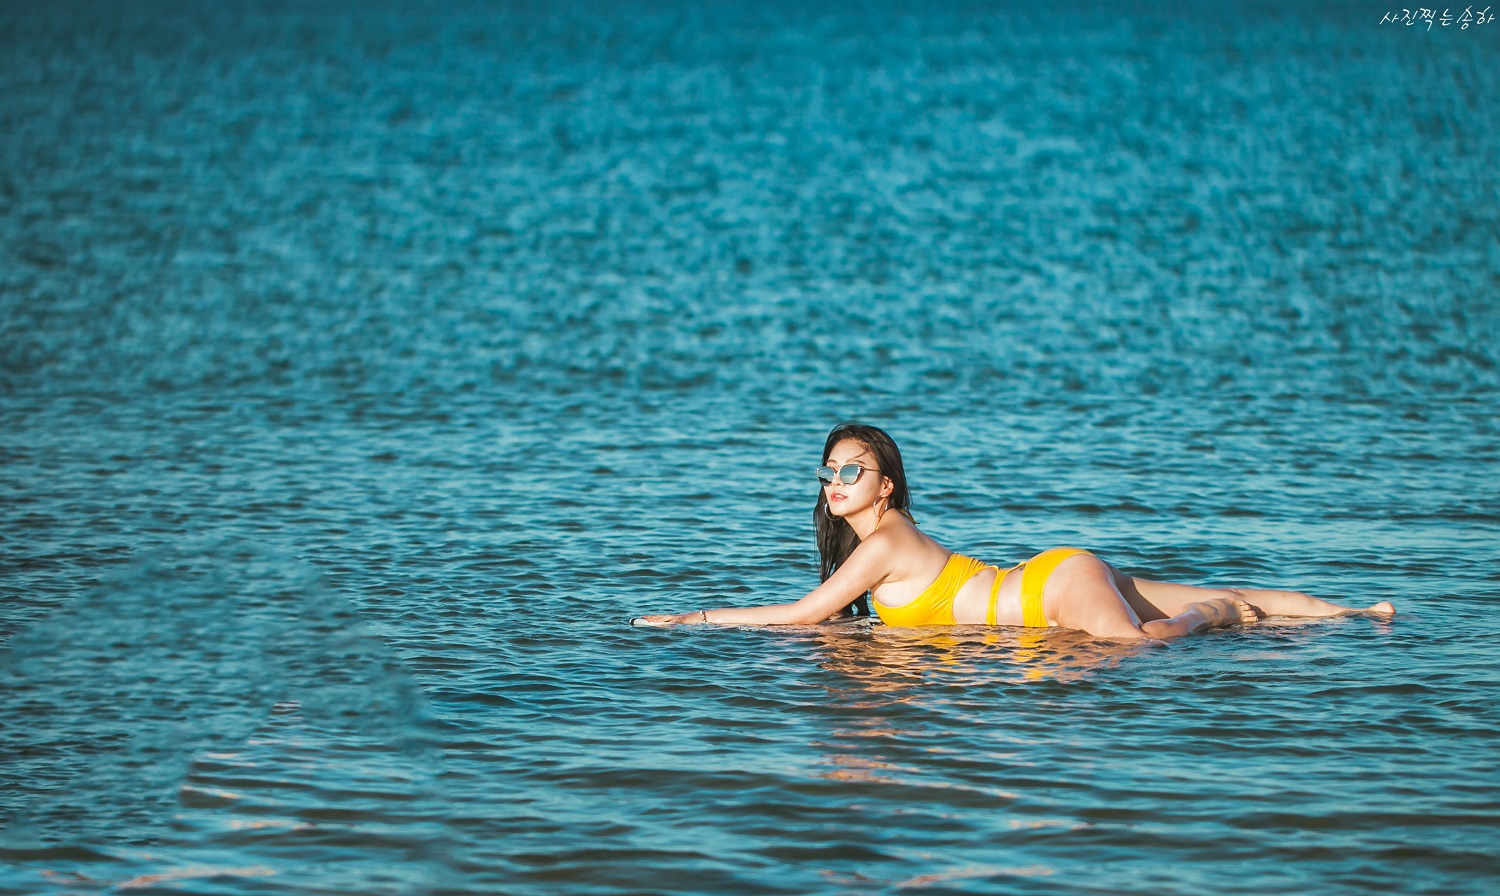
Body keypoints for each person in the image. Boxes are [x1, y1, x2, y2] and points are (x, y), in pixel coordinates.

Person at [634, 423, 1396, 640]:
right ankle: (1358, 613)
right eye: (828, 473)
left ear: (886, 484)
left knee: (1137, 649)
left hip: (1053, 590)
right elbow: (834, 624)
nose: (836, 484)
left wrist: (694, 618)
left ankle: (1218, 618)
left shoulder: (887, 540)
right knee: (1229, 589)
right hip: (1051, 579)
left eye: (851, 471)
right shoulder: (883, 543)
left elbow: (801, 617)